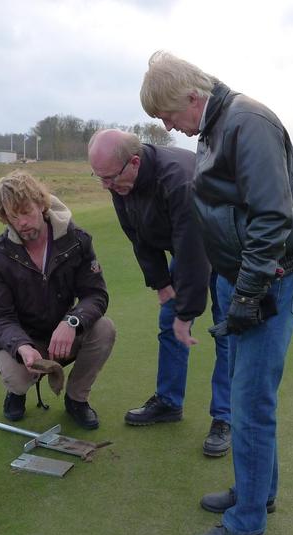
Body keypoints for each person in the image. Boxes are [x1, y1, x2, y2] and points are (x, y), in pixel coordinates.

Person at [140, 51, 293, 535]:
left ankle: (247, 520)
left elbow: (271, 217)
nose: (170, 127)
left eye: (170, 116)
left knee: (250, 399)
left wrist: (247, 293)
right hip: (244, 277)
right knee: (249, 394)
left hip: (273, 279)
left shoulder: (247, 122)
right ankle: (258, 492)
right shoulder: (215, 126)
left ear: (194, 97)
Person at [87, 129, 232, 457]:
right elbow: (137, 234)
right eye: (100, 179)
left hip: (225, 247)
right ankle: (169, 402)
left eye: (109, 178)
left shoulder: (178, 180)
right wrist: (161, 284)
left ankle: (225, 417)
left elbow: (192, 247)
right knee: (170, 323)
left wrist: (188, 312)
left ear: (134, 163)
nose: (106, 186)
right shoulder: (118, 179)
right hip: (188, 245)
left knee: (227, 331)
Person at [0, 170, 115, 430]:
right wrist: (21, 346)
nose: (22, 223)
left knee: (104, 328)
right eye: (12, 217)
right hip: (21, 339)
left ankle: (76, 399)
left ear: (41, 204)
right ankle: (16, 393)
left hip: (63, 333)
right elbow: (0, 317)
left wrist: (72, 322)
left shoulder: (77, 241)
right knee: (16, 378)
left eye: (26, 212)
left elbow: (95, 294)